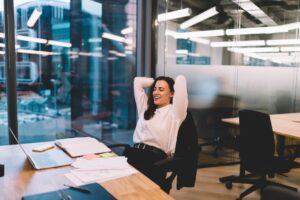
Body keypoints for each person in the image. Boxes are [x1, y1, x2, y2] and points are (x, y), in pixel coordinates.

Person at [125, 75, 188, 189]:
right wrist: (157, 82)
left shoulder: (175, 113)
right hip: (134, 154)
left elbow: (180, 80)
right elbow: (137, 81)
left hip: (154, 161)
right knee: (120, 189)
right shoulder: (146, 108)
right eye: (154, 89)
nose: (155, 92)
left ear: (172, 94)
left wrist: (165, 81)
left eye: (161, 89)